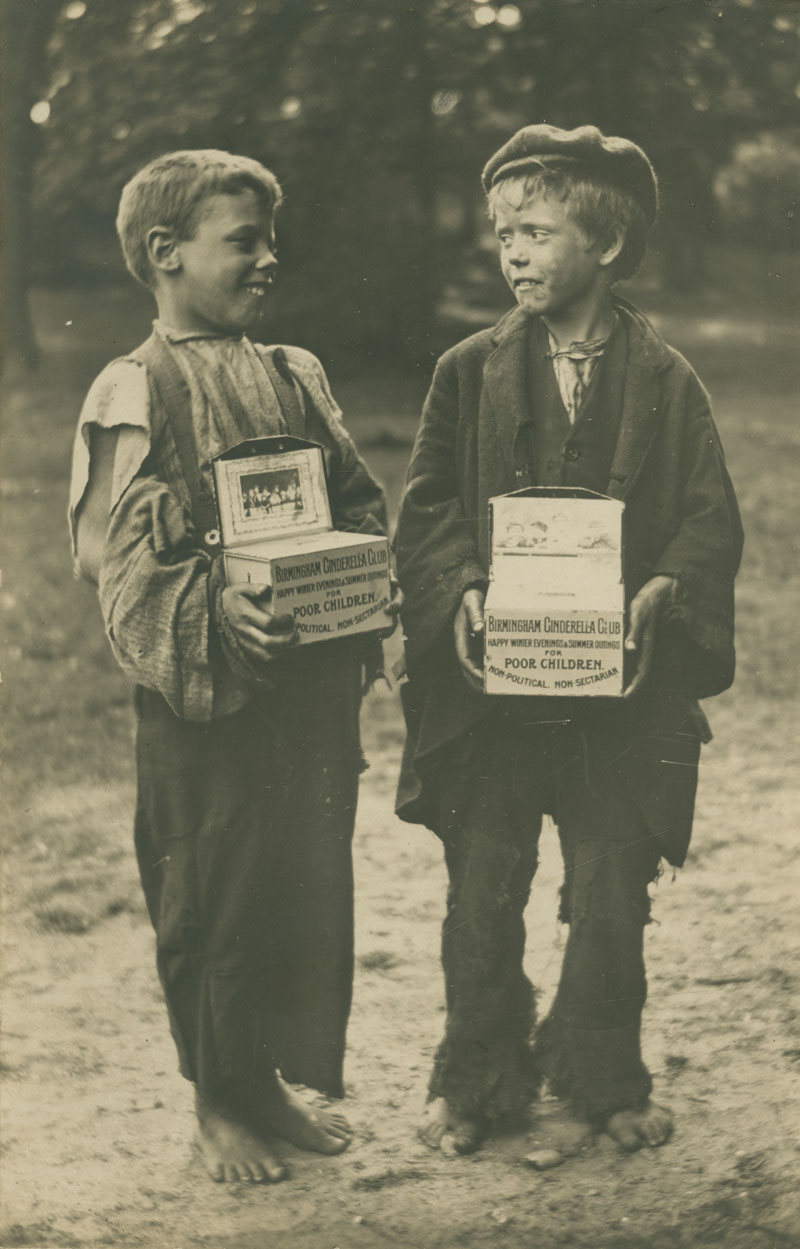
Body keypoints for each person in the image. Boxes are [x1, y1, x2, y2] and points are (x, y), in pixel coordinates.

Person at [394, 124, 743, 1162]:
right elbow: (423, 511)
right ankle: (477, 1077)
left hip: (616, 697)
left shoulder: (666, 378)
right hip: (494, 692)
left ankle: (600, 1075)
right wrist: (455, 588)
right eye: (502, 233)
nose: (510, 252)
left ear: (604, 242)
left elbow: (706, 515)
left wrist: (666, 586)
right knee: (482, 886)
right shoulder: (466, 371)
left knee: (606, 890)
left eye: (535, 231)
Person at [69, 149, 398, 1184]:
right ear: (165, 255)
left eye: (268, 239)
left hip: (307, 689)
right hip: (204, 699)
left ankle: (267, 1084)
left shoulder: (293, 371)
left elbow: (354, 499)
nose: (267, 259)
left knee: (297, 880)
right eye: (241, 240)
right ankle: (219, 1102)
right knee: (213, 889)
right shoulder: (132, 388)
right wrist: (219, 603)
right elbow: (112, 564)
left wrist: (351, 572)